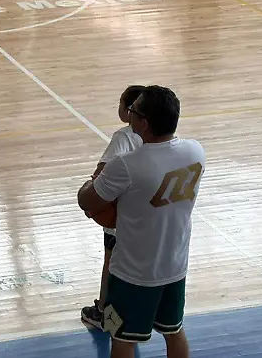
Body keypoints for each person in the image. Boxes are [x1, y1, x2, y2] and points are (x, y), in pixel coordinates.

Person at [77, 85, 206, 358]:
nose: (130, 115)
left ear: (143, 123)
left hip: (132, 275)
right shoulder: (196, 152)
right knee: (174, 331)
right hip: (175, 267)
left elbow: (88, 202)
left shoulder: (126, 165)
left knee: (120, 338)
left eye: (134, 111)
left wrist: (89, 184)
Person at [80, 85, 144, 329]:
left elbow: (101, 173)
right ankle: (134, 312)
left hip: (120, 220)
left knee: (112, 265)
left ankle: (104, 314)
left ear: (129, 111)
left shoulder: (123, 137)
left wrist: (91, 204)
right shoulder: (158, 137)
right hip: (146, 218)